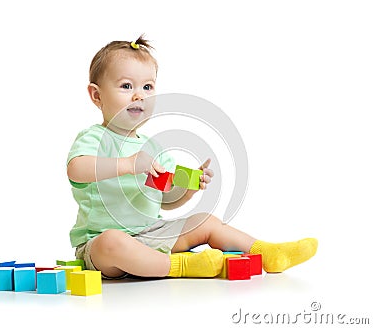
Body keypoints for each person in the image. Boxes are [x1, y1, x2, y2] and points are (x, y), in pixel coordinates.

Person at [66, 35, 318, 279]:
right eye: (126, 86)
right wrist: (127, 164)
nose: (139, 95)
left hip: (152, 233)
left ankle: (268, 253)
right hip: (101, 245)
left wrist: (187, 191)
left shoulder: (152, 148)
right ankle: (181, 266)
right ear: (97, 96)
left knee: (206, 221)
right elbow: (76, 169)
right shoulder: (94, 138)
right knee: (113, 241)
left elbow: (163, 201)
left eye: (147, 87)